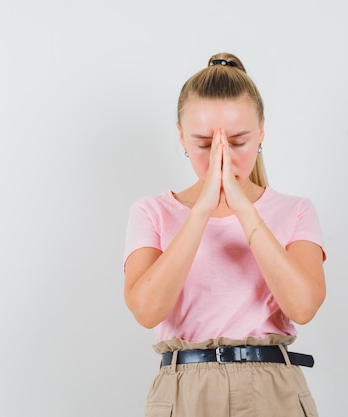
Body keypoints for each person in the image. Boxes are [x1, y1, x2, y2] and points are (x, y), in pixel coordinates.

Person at [123, 52, 326, 417]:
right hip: (183, 389)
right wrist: (201, 209)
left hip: (271, 390)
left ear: (261, 132)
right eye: (205, 145)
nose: (222, 158)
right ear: (181, 137)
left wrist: (244, 209)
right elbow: (147, 311)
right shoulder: (150, 212)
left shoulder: (296, 210)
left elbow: (304, 306)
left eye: (238, 142)